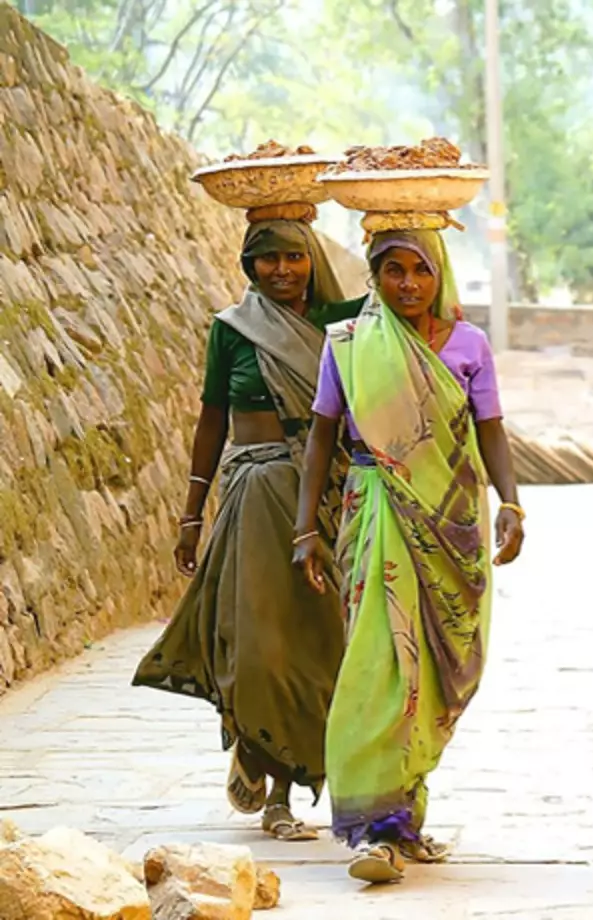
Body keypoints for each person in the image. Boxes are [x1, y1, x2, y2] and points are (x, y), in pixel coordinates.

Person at [293, 227, 525, 884]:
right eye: (393, 271)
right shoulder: (350, 344)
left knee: (436, 671)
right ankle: (376, 826)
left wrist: (512, 503)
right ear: (375, 276)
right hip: (374, 513)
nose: (408, 285)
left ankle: (404, 808)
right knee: (376, 660)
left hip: (452, 524)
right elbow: (321, 437)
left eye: (420, 271)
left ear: (440, 275)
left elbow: (491, 431)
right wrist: (304, 529)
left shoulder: (471, 345)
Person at [133, 217, 360, 841]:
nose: (282, 270)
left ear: (313, 259)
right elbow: (212, 422)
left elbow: (420, 290)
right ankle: (275, 792)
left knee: (318, 645)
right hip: (253, 495)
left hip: (325, 503)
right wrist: (189, 513)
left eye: (294, 256)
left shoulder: (343, 324)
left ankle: (272, 759)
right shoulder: (231, 331)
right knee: (259, 643)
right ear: (248, 266)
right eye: (267, 260)